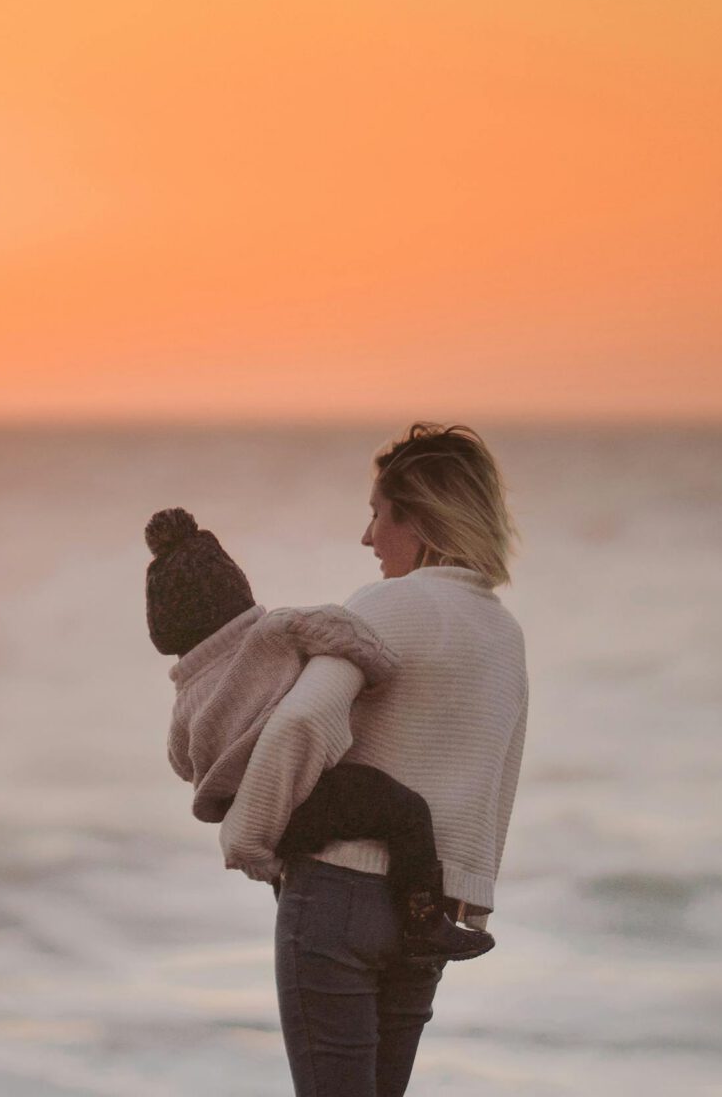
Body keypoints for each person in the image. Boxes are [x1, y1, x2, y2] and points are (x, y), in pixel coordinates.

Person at [219, 423, 530, 1097]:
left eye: (378, 514)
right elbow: (496, 785)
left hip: (340, 898)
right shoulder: (504, 634)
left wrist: (250, 837)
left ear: (419, 518)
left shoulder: (389, 603)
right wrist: (468, 903)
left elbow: (303, 718)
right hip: (428, 914)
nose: (367, 538)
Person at [150, 507, 492, 961]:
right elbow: (337, 628)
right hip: (310, 790)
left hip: (257, 815)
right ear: (236, 590)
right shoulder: (273, 632)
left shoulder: (184, 705)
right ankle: (422, 918)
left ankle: (301, 926)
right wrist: (379, 668)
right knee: (406, 812)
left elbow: (182, 762)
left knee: (292, 883)